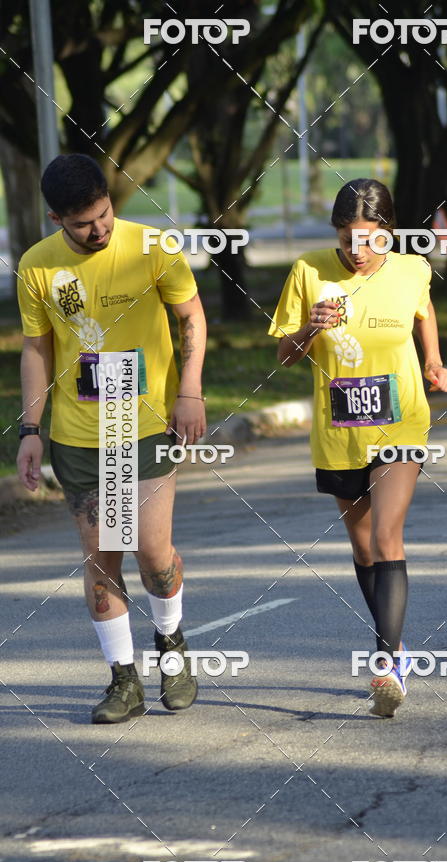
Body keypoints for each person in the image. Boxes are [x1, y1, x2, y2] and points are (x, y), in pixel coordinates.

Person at [16, 154, 207, 724]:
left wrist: (190, 391)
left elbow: (191, 317)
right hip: (79, 435)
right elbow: (37, 349)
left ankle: (172, 644)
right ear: (56, 219)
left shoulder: (153, 247)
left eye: (104, 215)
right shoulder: (36, 266)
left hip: (146, 424)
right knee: (101, 559)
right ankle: (124, 680)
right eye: (83, 224)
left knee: (152, 552)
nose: (99, 229)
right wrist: (31, 430)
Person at [269, 178, 447, 718]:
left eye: (371, 239)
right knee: (363, 549)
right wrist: (309, 329)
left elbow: (424, 311)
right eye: (348, 238)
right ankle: (396, 646)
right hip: (340, 429)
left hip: (401, 422)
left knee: (386, 534)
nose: (358, 250)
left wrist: (433, 361)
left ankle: (387, 664)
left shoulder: (412, 269)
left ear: (389, 233)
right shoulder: (308, 271)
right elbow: (284, 357)